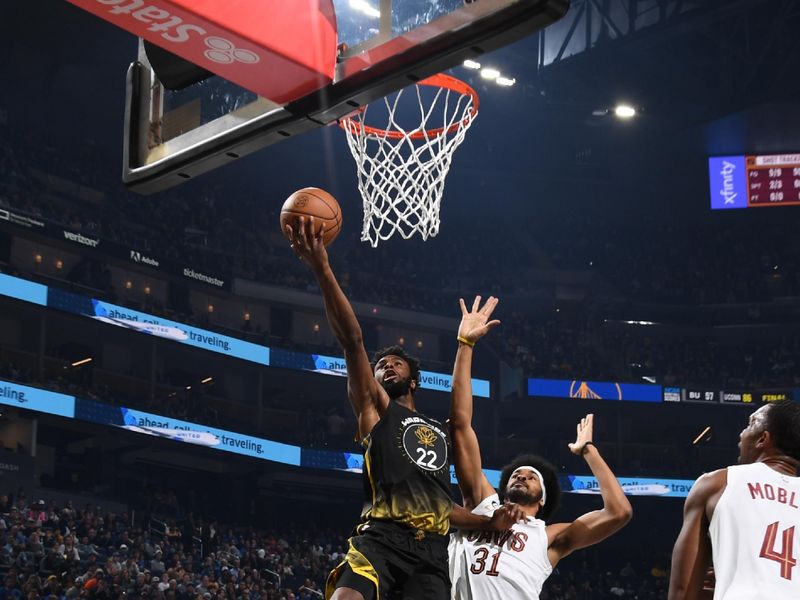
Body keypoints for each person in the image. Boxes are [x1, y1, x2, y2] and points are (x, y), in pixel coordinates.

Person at [285, 219, 523, 600]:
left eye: (397, 363)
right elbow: (352, 340)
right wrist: (323, 268)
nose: (387, 366)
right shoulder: (375, 410)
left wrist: (465, 344)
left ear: (414, 380)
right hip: (381, 538)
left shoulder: (440, 432)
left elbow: (444, 507)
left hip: (431, 553)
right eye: (381, 366)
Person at [447, 296, 633, 600]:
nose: (521, 477)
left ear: (542, 497)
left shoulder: (549, 536)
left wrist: (589, 451)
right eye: (517, 475)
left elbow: (620, 512)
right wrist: (465, 345)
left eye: (530, 477)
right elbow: (461, 425)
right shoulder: (480, 504)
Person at [669, 400, 800, 600]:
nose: (742, 434)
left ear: (762, 439)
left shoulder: (717, 483)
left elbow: (682, 591)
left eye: (750, 424)